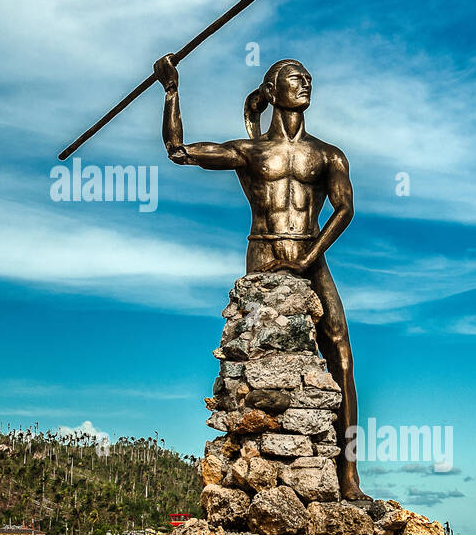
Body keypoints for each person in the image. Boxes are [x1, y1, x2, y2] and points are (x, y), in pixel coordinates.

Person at [157, 53, 369, 500]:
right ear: (272, 92)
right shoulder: (249, 152)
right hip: (264, 251)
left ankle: (348, 476)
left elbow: (345, 209)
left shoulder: (329, 154)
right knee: (258, 353)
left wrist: (309, 256)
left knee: (343, 358)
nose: (306, 83)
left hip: (311, 255)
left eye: (309, 77)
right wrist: (171, 90)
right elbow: (179, 152)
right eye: (295, 77)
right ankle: (255, 447)